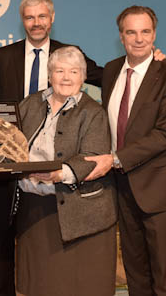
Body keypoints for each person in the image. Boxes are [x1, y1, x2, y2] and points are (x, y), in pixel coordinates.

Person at [0, 0, 102, 296]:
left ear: (52, 19)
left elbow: (107, 77)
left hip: (60, 164)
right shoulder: (4, 56)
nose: (36, 23)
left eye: (42, 16)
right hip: (12, 162)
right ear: (22, 20)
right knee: (3, 237)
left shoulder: (70, 54)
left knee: (49, 238)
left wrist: (149, 63)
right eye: (30, 17)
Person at [95, 5, 166, 296]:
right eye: (131, 32)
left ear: (155, 34)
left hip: (159, 190)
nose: (138, 39)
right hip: (121, 187)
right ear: (121, 36)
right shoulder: (111, 70)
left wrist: (116, 158)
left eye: (145, 31)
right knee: (135, 272)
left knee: (163, 276)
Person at [13, 46, 117, 296]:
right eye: (59, 71)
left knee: (78, 286)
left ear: (83, 77)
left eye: (74, 71)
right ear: (50, 75)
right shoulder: (29, 104)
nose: (66, 77)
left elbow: (92, 156)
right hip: (34, 211)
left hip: (80, 215)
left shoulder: (93, 112)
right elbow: (9, 142)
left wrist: (59, 174)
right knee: (38, 285)